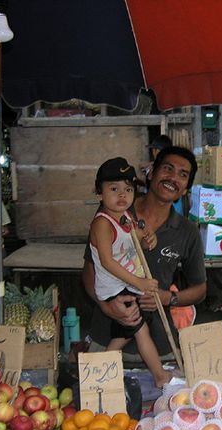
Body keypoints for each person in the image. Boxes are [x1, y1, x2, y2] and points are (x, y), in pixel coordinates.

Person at [83, 146, 207, 369]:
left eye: (183, 174)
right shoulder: (115, 211)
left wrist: (168, 298)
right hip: (107, 339)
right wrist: (106, 306)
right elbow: (90, 270)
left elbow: (200, 289)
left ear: (186, 189)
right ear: (151, 172)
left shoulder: (187, 231)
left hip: (160, 349)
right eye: (167, 169)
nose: (173, 178)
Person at [88, 157, 173, 388]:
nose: (122, 195)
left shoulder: (125, 216)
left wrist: (148, 239)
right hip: (115, 288)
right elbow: (106, 261)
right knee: (139, 330)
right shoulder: (103, 223)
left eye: (128, 189)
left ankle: (95, 374)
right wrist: (138, 281)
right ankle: (159, 376)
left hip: (127, 284)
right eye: (114, 189)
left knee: (125, 334)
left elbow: (136, 239)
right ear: (99, 193)